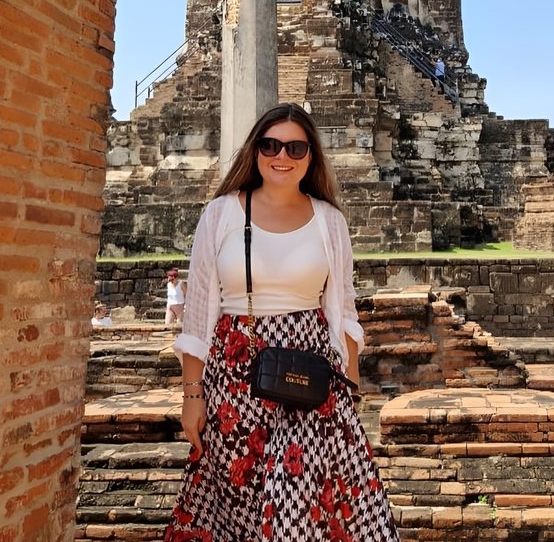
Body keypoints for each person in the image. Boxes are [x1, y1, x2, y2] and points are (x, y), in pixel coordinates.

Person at [165, 103, 399, 541]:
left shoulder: (330, 221)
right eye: (271, 144)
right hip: (236, 374)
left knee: (307, 500)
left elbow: (343, 311)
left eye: (295, 147)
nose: (282, 156)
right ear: (255, 150)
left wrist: (350, 388)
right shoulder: (220, 215)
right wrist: (192, 397)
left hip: (310, 375)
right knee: (241, 501)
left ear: (311, 156)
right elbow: (196, 317)